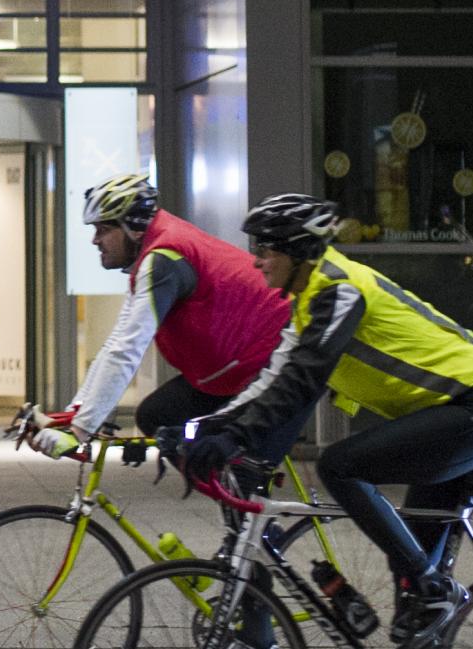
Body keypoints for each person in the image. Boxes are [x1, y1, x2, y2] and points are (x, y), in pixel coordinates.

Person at [187, 194, 473, 649]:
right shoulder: (310, 299)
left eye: (267, 250)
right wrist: (206, 428)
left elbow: (305, 376)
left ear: (300, 251)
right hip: (455, 412)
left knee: (341, 467)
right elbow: (273, 379)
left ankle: (433, 588)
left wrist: (237, 438)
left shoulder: (340, 290)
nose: (257, 260)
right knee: (413, 602)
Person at [31, 174, 292, 459]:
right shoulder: (154, 254)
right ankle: (230, 490)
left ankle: (244, 490)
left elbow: (127, 350)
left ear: (134, 228)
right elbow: (116, 342)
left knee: (243, 468)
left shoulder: (164, 259)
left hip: (278, 356)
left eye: (104, 229)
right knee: (157, 417)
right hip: (237, 364)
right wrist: (74, 415)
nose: (95, 240)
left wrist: (80, 430)